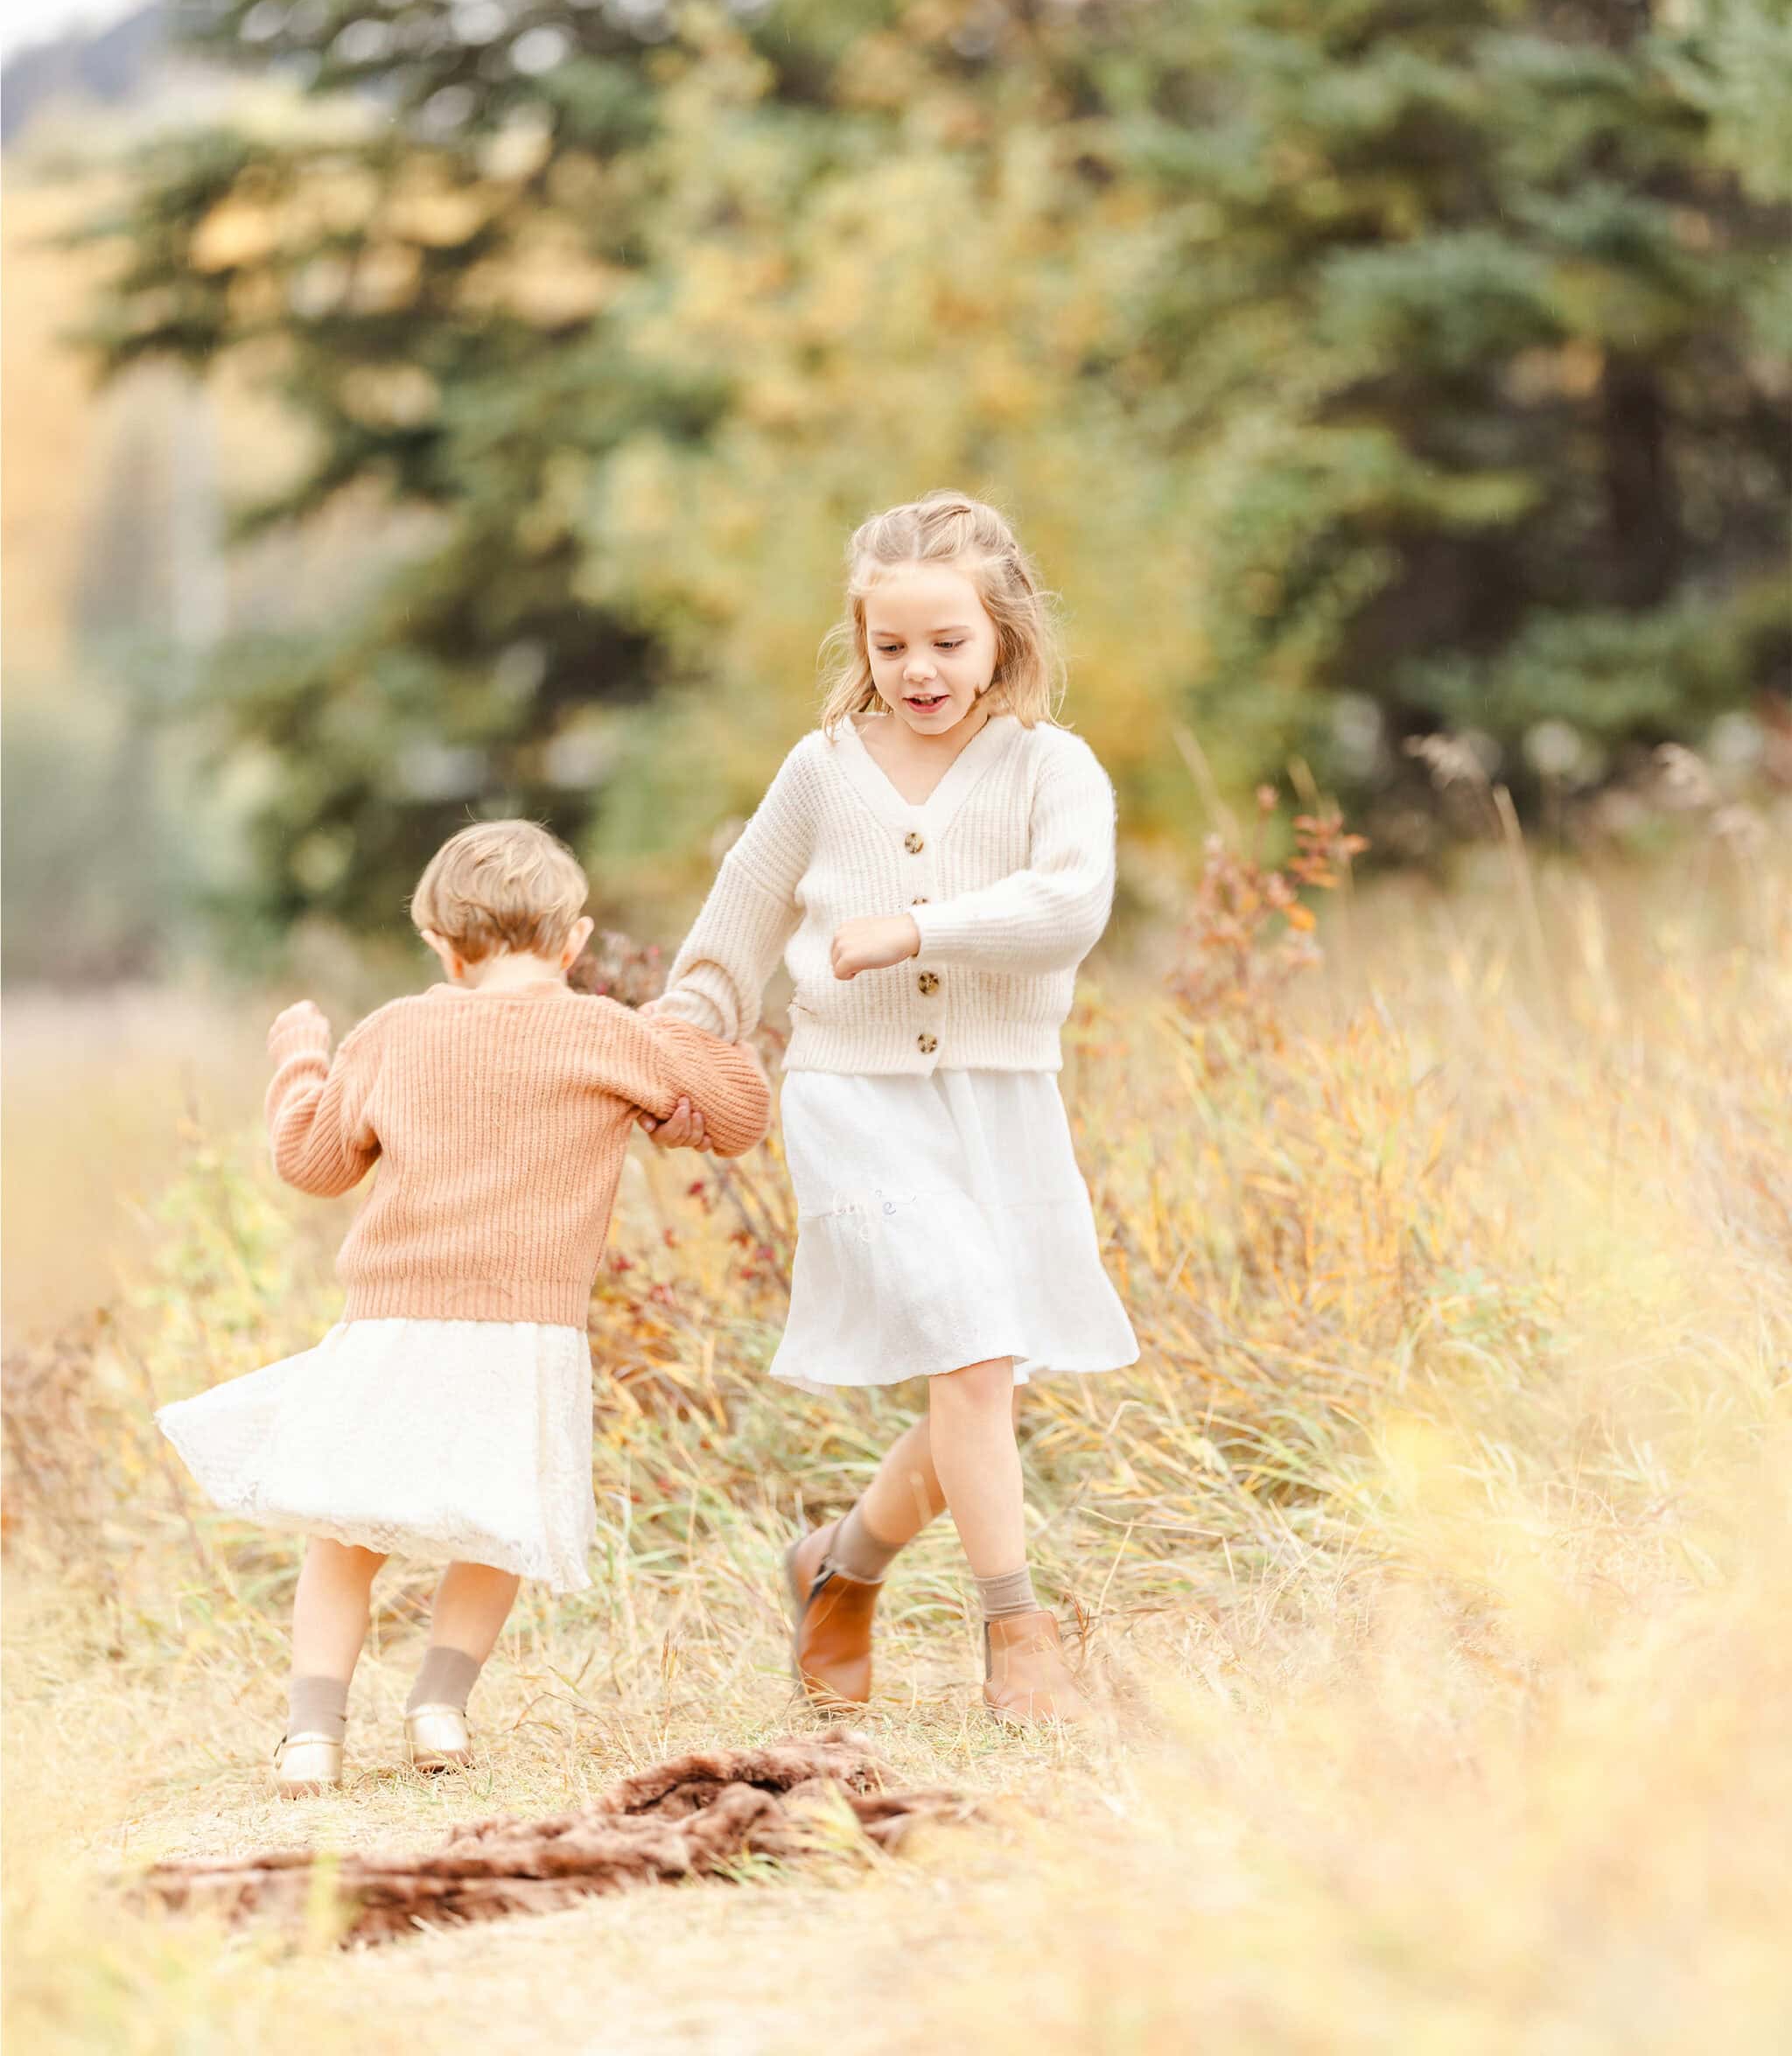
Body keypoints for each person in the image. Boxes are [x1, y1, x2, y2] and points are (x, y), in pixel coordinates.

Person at [638, 491, 1138, 1724]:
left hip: (1003, 1102)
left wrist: (918, 928)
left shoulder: (1052, 770)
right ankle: (1018, 1632)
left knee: (981, 1382)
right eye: (891, 645)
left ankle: (838, 1568)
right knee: (973, 1354)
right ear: (861, 645)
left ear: (1003, 635)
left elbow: (1069, 910)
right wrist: (672, 1044)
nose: (918, 669)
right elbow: (734, 931)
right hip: (852, 1098)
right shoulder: (822, 773)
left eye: (946, 643)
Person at [158, 820, 768, 1795]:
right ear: (573, 944)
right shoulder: (607, 1034)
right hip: (527, 1334)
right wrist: (676, 1038)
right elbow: (740, 1115)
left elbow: (311, 1163)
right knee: (499, 1524)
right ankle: (438, 1710)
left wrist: (302, 1062)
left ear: (440, 945)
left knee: (344, 1532)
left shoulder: (396, 1031)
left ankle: (312, 1735)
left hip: (392, 1325)